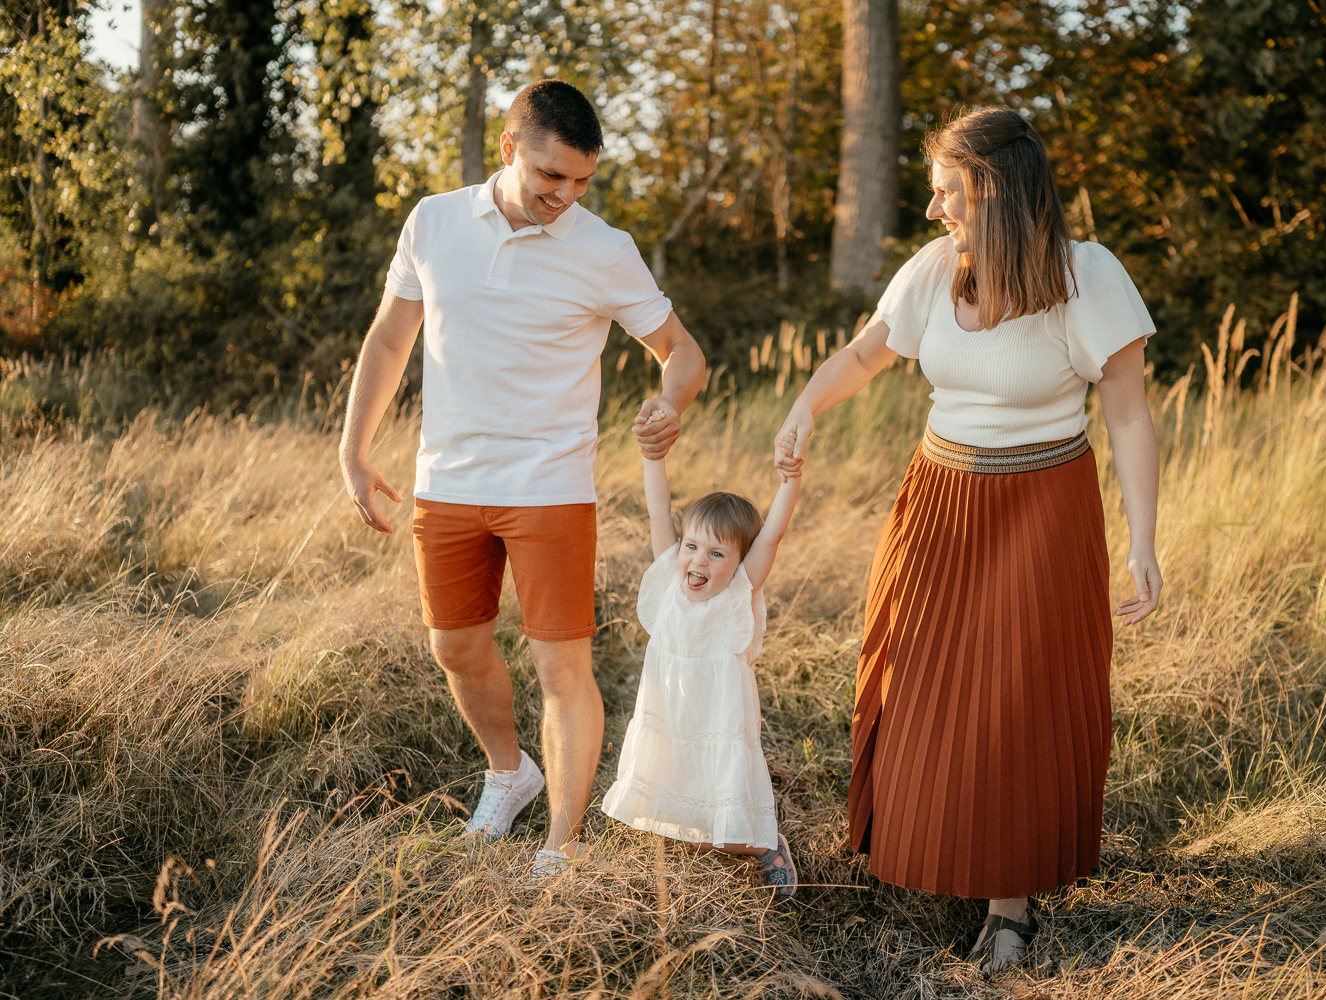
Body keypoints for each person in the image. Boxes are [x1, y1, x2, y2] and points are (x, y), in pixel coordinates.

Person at [774, 107, 1163, 970]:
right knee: (910, 670)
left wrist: (1143, 538)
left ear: (993, 190)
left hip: (1043, 510)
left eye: (946, 189)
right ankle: (915, 847)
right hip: (938, 499)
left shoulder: (1087, 276)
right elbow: (865, 356)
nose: (931, 208)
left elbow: (1128, 415)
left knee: (1014, 697)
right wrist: (805, 406)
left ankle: (1008, 905)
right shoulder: (931, 270)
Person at [339, 79, 705, 877]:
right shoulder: (433, 222)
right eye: (551, 178)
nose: (565, 196)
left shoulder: (604, 248)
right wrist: (354, 450)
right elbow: (390, 339)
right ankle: (511, 772)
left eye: (582, 181)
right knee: (457, 647)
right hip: (447, 482)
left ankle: (561, 845)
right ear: (509, 150)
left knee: (561, 668)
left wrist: (671, 400)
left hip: (551, 485)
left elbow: (683, 351)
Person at [600, 414, 802, 897]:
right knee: (660, 814)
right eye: (693, 546)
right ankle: (699, 834)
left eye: (717, 554)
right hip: (670, 711)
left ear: (737, 565)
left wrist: (790, 481)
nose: (697, 561)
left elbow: (771, 535)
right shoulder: (672, 575)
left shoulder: (738, 592)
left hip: (718, 715)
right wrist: (653, 459)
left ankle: (767, 846)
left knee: (726, 826)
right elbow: (657, 513)